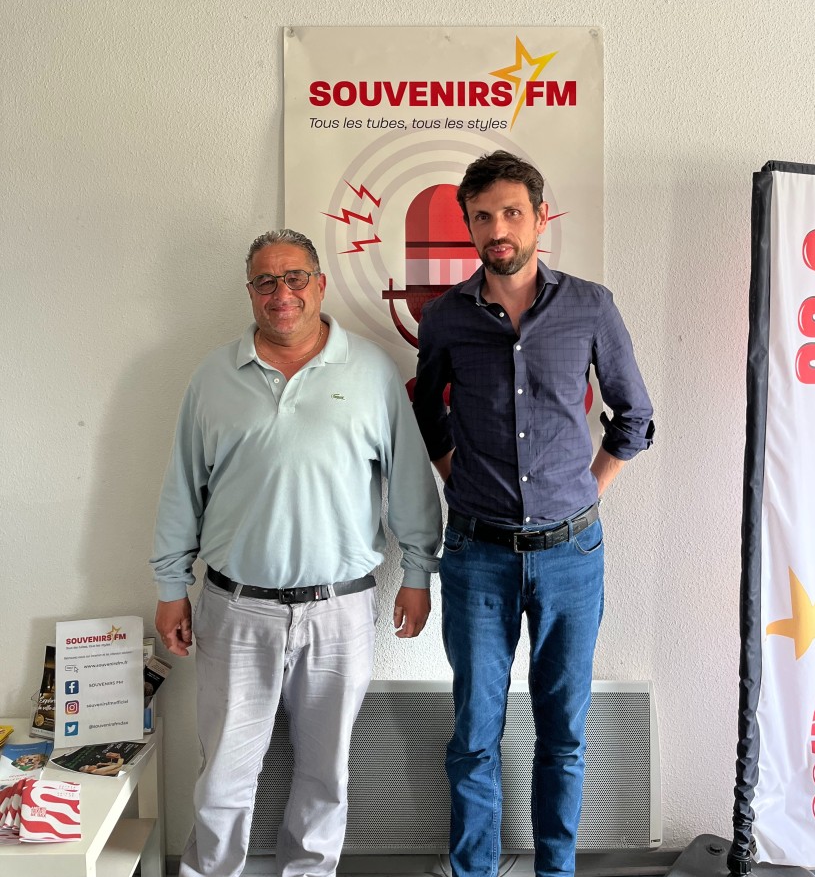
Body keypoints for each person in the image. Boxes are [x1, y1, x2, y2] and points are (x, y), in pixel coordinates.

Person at [151, 229, 442, 877]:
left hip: (340, 611)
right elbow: (181, 488)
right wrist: (171, 585)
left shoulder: (370, 371)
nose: (280, 293)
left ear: (319, 284)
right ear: (250, 291)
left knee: (325, 773)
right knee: (223, 775)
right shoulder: (213, 377)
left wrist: (418, 573)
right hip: (234, 609)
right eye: (265, 281)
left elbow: (411, 484)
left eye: (294, 278)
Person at [413, 151, 654, 877]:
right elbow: (427, 411)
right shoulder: (444, 318)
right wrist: (456, 475)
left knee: (563, 734)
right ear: (468, 226)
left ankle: (556, 870)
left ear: (539, 217)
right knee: (474, 736)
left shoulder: (590, 306)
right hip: (476, 556)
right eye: (482, 216)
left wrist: (588, 489)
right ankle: (475, 871)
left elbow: (634, 416)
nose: (498, 229)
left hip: (571, 556)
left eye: (511, 212)